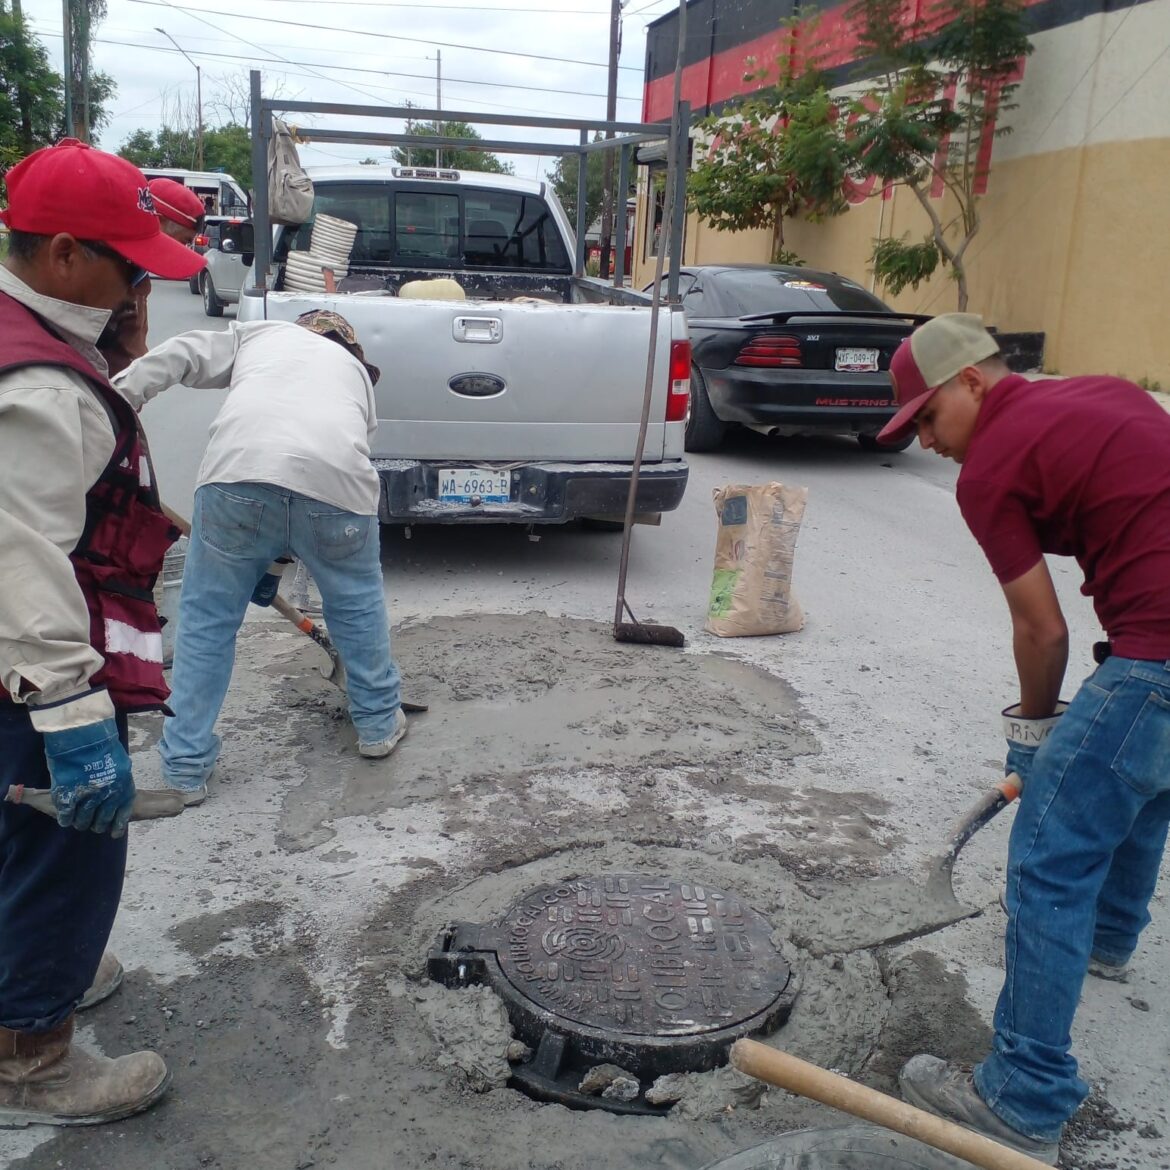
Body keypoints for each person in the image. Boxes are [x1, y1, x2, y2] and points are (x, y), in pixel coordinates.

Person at [877, 314, 1170, 1164]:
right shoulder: (1105, 393)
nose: (927, 442)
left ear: (973, 380)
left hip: (1159, 653)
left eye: (929, 417)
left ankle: (1022, 1096)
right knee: (1143, 782)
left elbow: (1042, 630)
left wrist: (1035, 734)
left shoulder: (991, 468)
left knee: (1049, 856)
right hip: (1157, 653)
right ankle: (1108, 941)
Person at [0, 140, 205, 1126]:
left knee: (17, 838)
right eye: (130, 267)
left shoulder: (36, 336)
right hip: (31, 663)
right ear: (66, 254)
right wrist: (72, 712)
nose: (138, 291)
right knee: (65, 851)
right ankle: (30, 1060)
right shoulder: (38, 386)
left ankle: (33, 974)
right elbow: (20, 554)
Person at [112, 311, 405, 805]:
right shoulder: (355, 374)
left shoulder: (264, 334)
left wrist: (117, 398)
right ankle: (377, 724)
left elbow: (183, 352)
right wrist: (279, 554)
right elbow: (313, 476)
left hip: (237, 478)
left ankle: (185, 766)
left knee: (207, 622)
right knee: (357, 607)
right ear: (352, 350)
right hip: (337, 490)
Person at [99, 176, 207, 377]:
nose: (183, 249)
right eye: (184, 241)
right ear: (157, 221)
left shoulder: (139, 276)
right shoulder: (107, 273)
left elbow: (135, 345)